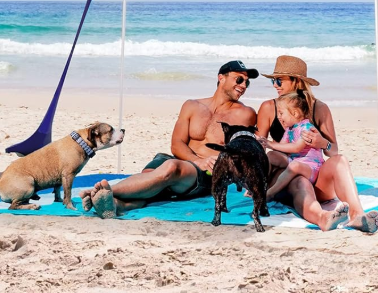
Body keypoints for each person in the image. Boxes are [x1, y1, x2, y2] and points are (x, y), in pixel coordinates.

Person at [80, 60, 258, 217]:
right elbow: (177, 144)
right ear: (221, 78)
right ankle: (116, 205)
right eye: (239, 79)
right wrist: (196, 160)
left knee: (171, 169)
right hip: (177, 160)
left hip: (205, 174)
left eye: (247, 82)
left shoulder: (246, 114)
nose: (243, 85)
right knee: (150, 180)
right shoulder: (192, 105)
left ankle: (104, 192)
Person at [257, 55, 378, 233]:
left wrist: (323, 143)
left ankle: (357, 215)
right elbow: (258, 149)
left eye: (279, 80)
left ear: (296, 81)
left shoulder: (319, 108)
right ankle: (323, 218)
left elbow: (333, 151)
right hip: (285, 179)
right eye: (273, 81)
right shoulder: (270, 107)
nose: (275, 85)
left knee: (340, 160)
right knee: (300, 180)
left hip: (314, 176)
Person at [264, 91, 325, 201]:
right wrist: (266, 144)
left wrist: (271, 144)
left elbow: (296, 148)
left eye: (281, 113)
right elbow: (281, 147)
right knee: (271, 155)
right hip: (294, 160)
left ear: (295, 113)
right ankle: (261, 184)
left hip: (310, 166)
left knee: (294, 166)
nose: (278, 117)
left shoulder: (307, 128)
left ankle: (270, 193)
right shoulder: (290, 129)